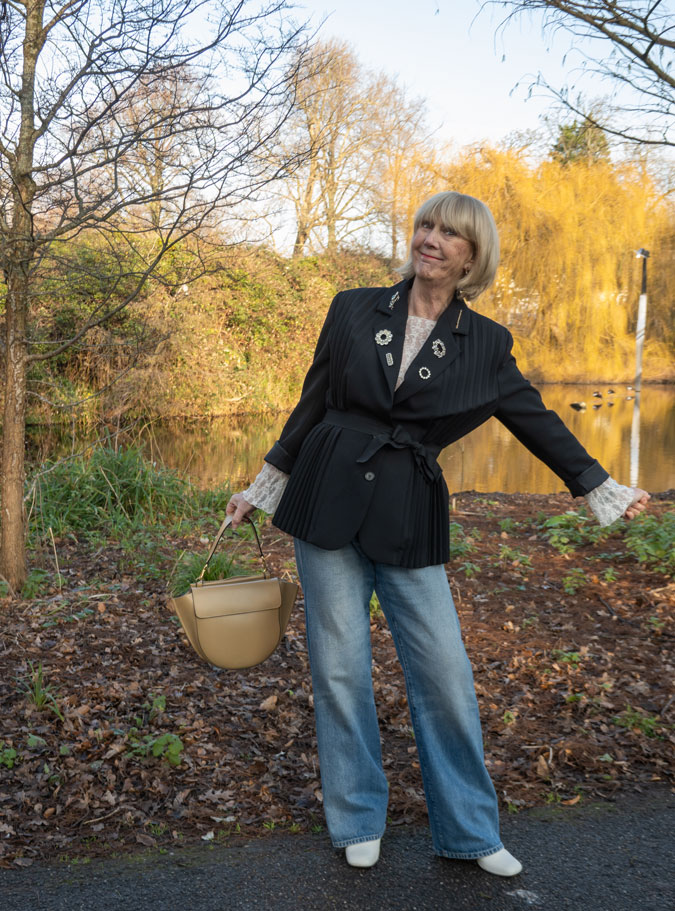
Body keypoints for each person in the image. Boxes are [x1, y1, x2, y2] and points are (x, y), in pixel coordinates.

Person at [226, 191, 650, 874]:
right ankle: (357, 815)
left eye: (450, 234)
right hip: (326, 494)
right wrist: (261, 484)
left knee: (444, 673)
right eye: (426, 225)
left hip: (407, 511)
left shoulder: (484, 342)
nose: (431, 239)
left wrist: (600, 486)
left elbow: (532, 418)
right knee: (338, 670)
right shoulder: (352, 307)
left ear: (470, 258)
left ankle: (470, 831)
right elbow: (311, 403)